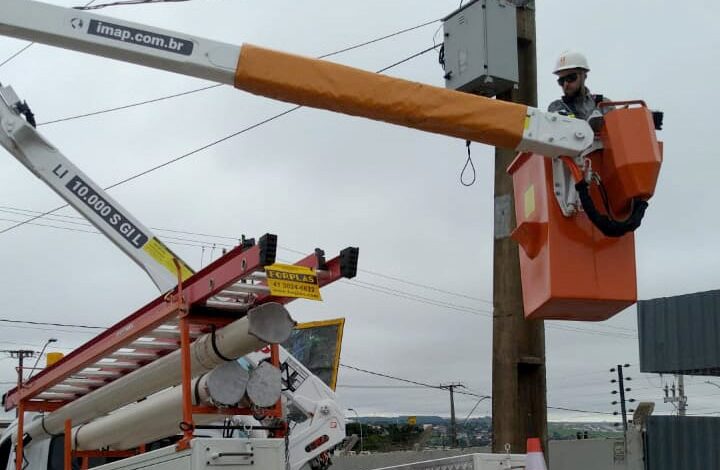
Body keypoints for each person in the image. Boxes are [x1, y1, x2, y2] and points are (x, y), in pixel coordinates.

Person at [548, 51, 608, 121]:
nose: (565, 84)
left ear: (584, 76)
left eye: (570, 78)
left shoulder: (603, 105)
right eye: (561, 81)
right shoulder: (556, 108)